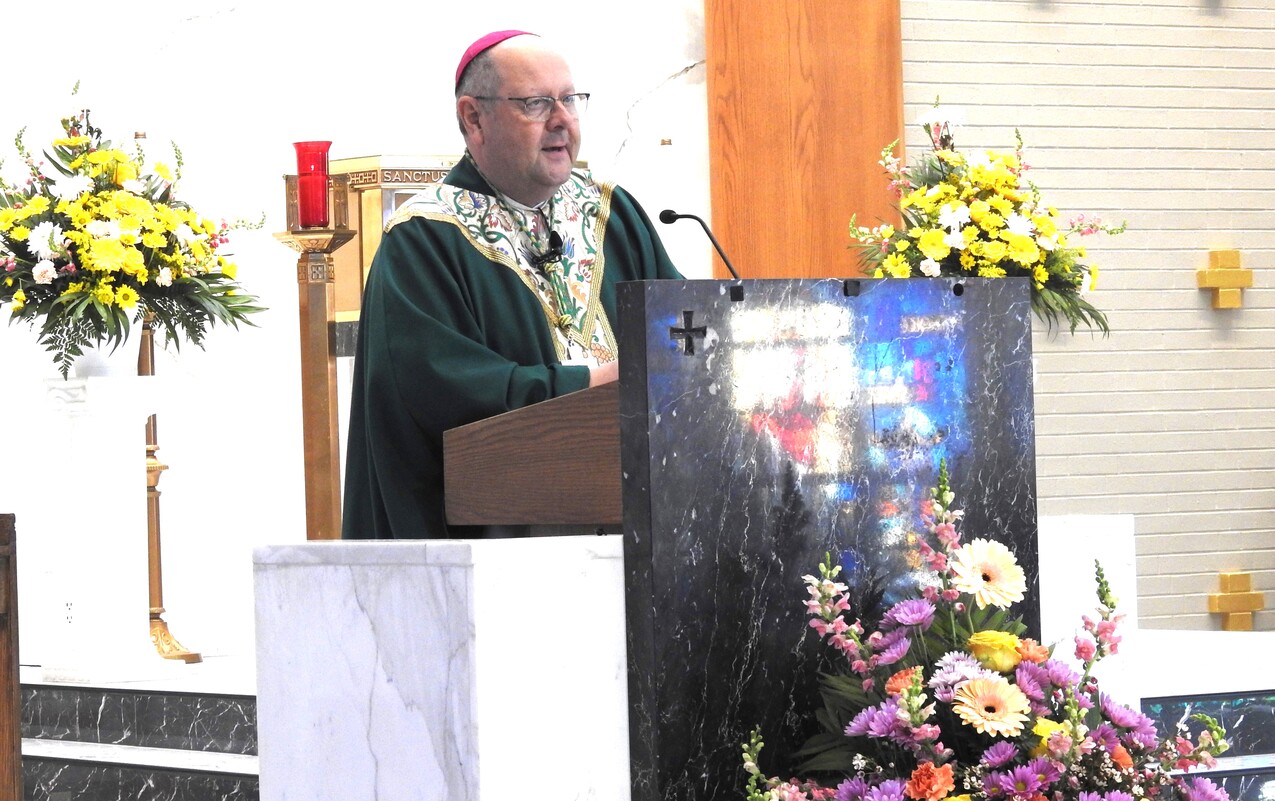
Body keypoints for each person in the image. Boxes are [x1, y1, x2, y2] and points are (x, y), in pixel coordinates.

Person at [342, 30, 683, 540]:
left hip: (635, 533)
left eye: (570, 99)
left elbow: (681, 331)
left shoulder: (612, 213)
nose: (562, 119)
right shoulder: (424, 239)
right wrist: (598, 383)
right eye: (536, 103)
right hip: (502, 551)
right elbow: (445, 394)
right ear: (473, 118)